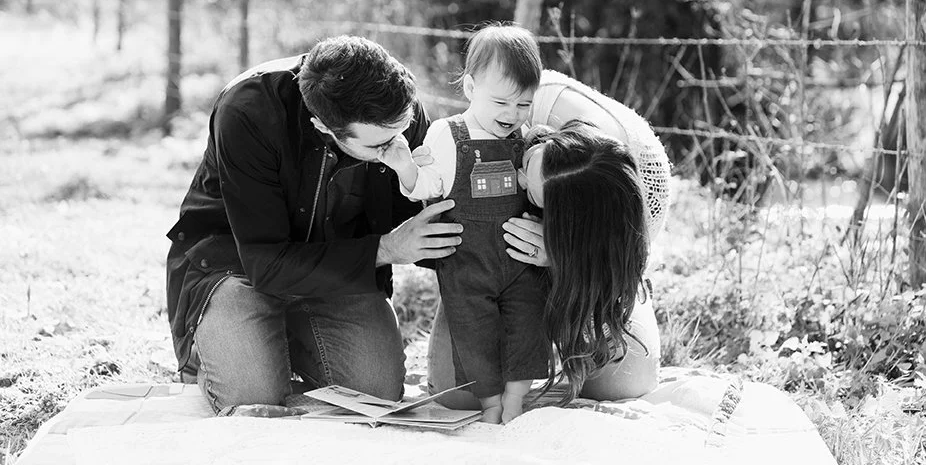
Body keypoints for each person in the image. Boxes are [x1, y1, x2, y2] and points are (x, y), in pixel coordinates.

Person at [165, 35, 463, 413]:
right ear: (323, 125)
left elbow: (428, 222)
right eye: (381, 147)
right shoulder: (248, 109)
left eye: (402, 131)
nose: (398, 147)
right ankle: (215, 349)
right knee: (252, 402)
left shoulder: (396, 113)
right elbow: (265, 262)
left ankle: (276, 346)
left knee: (377, 392)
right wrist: (387, 248)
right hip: (237, 266)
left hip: (337, 269)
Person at [428, 69, 671, 406]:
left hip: (584, 260)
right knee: (456, 394)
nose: (519, 180)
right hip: (491, 241)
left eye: (535, 194)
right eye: (528, 163)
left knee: (621, 385)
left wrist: (558, 258)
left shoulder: (643, 201)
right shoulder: (522, 105)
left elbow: (609, 272)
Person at [379, 25, 549, 424]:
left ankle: (516, 397)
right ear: (471, 88)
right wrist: (405, 167)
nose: (512, 115)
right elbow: (427, 185)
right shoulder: (448, 134)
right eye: (502, 102)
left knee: (527, 325)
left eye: (524, 105)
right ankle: (491, 402)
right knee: (474, 333)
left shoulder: (526, 139)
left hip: (520, 260)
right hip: (466, 261)